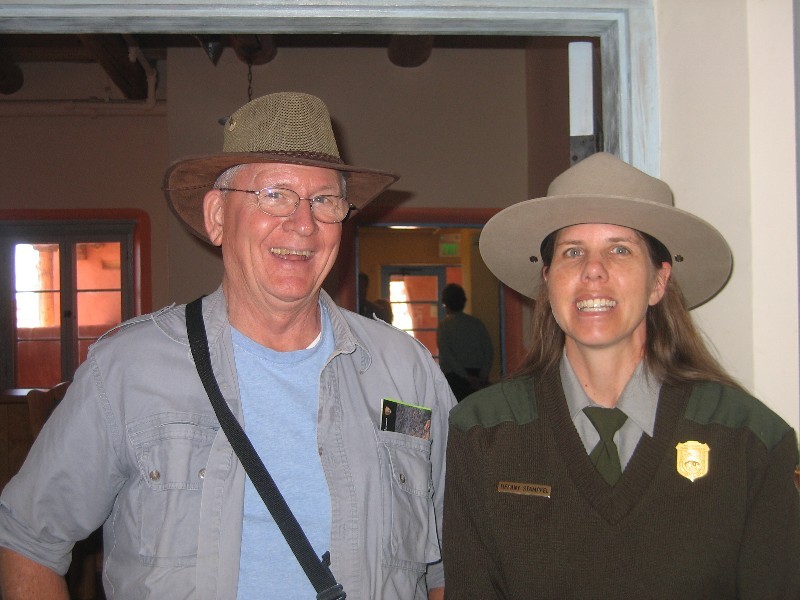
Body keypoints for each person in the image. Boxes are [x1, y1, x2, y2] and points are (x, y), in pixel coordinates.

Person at [0, 92, 455, 599]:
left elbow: (452, 557)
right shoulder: (128, 370)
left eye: (325, 200)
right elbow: (26, 541)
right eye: (274, 195)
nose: (304, 224)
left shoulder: (406, 373)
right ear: (217, 216)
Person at [442, 152, 800, 598]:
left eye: (620, 249)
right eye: (573, 252)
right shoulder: (482, 433)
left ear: (658, 282)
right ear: (548, 280)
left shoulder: (751, 440)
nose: (593, 270)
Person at [436, 283, 493, 401]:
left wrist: (466, 377)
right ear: (464, 302)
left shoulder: (444, 326)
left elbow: (447, 356)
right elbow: (489, 351)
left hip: (453, 380)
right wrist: (482, 376)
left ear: (446, 304)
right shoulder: (476, 324)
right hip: (478, 377)